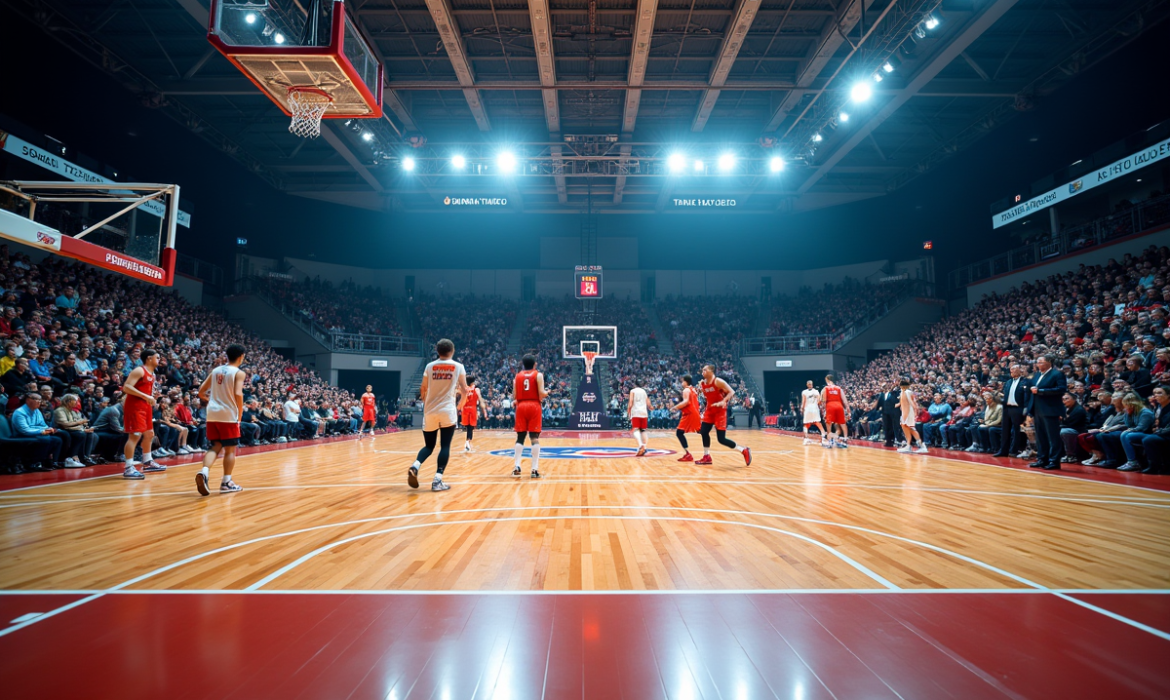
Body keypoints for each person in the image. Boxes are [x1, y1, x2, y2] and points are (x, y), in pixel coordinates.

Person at [408, 339, 467, 491]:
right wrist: (460, 405)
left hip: (430, 410)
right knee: (445, 445)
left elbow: (423, 388)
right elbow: (465, 390)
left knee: (429, 445)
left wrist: (426, 402)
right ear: (452, 351)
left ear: (437, 350)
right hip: (447, 410)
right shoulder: (458, 366)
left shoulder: (429, 366)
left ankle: (415, 466)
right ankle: (437, 480)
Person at [195, 344, 247, 495]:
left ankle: (204, 472)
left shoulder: (216, 370)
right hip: (228, 414)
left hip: (212, 413)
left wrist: (212, 401)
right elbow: (238, 393)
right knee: (230, 450)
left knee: (215, 446)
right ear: (241, 357)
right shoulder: (238, 373)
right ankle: (226, 482)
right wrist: (240, 412)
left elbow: (201, 392)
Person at [121, 349, 165, 479]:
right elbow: (126, 387)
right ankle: (128, 467)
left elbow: (146, 391)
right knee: (134, 435)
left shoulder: (153, 374)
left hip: (146, 407)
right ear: (149, 358)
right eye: (158, 357)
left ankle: (147, 461)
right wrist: (146, 396)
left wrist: (153, 397)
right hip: (135, 407)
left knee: (149, 434)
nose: (159, 360)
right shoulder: (139, 371)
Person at [696, 365, 751, 466]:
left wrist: (723, 401)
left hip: (720, 412)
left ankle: (743, 450)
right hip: (709, 410)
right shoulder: (702, 383)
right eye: (702, 370)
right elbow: (708, 396)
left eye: (705, 370)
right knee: (703, 431)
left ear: (711, 372)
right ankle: (706, 456)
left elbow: (731, 392)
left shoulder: (718, 381)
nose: (702, 371)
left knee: (721, 439)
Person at [1029, 355, 1068, 470]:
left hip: (1050, 409)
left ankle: (1054, 461)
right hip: (1038, 409)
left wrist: (1041, 391)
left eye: (1040, 362)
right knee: (1041, 437)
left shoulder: (1057, 374)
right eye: (1037, 362)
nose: (1038, 364)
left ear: (1049, 362)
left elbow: (1061, 389)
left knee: (1053, 437)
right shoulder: (1037, 375)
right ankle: (1042, 459)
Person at [512, 354, 547, 478]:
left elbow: (514, 396)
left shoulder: (517, 377)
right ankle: (534, 469)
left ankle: (516, 466)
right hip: (534, 406)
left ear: (523, 364)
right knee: (534, 437)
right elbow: (541, 393)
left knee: (520, 437)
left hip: (521, 406)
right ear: (535, 364)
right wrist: (548, 392)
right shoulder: (538, 375)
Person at [12, 392, 63, 471]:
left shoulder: (37, 411)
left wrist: (48, 429)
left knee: (57, 439)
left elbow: (42, 424)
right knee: (45, 439)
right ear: (28, 400)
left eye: (40, 400)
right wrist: (42, 432)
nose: (39, 402)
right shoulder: (20, 412)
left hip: (35, 433)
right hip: (21, 435)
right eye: (36, 399)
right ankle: (33, 463)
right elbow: (24, 430)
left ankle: (46, 461)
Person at [996, 364, 1031, 458]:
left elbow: (1027, 397)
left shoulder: (1025, 382)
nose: (1012, 371)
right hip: (1007, 408)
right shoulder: (1008, 382)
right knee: (1005, 430)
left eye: (1014, 370)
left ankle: (1014, 450)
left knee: (1016, 431)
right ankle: (1003, 451)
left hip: (1018, 408)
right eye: (1011, 370)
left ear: (1020, 370)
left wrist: (1026, 409)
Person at [672, 374, 702, 462]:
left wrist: (676, 407)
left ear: (686, 382)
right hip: (695, 413)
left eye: (682, 381)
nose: (681, 383)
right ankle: (706, 453)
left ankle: (688, 454)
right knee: (701, 431)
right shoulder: (693, 389)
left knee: (679, 433)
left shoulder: (686, 390)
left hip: (689, 414)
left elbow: (686, 402)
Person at [897, 379, 928, 454]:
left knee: (911, 428)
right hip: (904, 413)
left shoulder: (908, 392)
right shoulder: (902, 392)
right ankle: (908, 445)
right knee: (905, 428)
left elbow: (913, 403)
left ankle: (922, 446)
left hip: (909, 413)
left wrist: (915, 412)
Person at [820, 374, 850, 448]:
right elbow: (845, 400)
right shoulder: (839, 388)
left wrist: (824, 410)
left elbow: (824, 400)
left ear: (828, 380)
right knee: (843, 423)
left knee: (828, 423)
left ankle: (829, 441)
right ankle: (845, 439)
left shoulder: (825, 388)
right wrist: (848, 410)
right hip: (839, 406)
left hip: (830, 406)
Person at [459, 375, 485, 453]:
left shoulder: (464, 389)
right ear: (473, 382)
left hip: (465, 409)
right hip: (472, 409)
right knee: (471, 427)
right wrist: (482, 405)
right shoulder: (476, 389)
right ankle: (468, 442)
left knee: (468, 427)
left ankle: (468, 442)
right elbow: (480, 398)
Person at [628, 382, 651, 457]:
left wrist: (628, 410)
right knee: (643, 430)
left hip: (636, 412)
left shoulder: (633, 391)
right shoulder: (644, 391)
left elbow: (630, 403)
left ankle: (641, 445)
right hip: (644, 412)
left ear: (634, 385)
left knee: (635, 430)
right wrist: (651, 407)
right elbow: (648, 403)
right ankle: (644, 446)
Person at [800, 380, 826, 446]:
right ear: (812, 384)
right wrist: (817, 405)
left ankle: (806, 439)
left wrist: (802, 409)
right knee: (818, 423)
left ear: (807, 385)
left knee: (806, 424)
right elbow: (819, 401)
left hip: (807, 409)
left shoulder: (804, 392)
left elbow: (803, 402)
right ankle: (823, 439)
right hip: (814, 409)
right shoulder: (816, 391)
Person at [877, 381, 901, 448]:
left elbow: (897, 401)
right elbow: (880, 403)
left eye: (885, 386)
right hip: (885, 412)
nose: (885, 387)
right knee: (886, 427)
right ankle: (888, 440)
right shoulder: (882, 394)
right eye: (883, 387)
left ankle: (896, 440)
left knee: (894, 426)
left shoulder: (894, 393)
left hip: (893, 412)